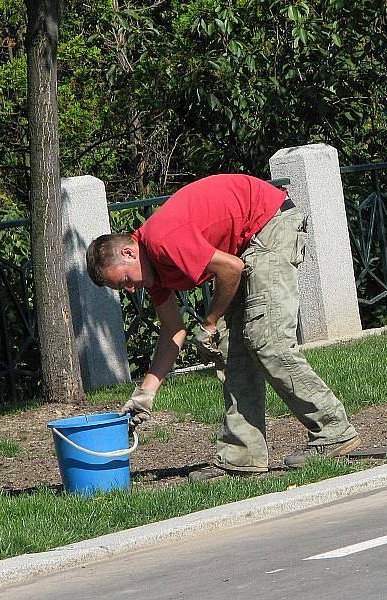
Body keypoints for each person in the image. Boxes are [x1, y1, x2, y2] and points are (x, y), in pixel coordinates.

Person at [86, 174, 361, 481]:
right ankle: (241, 458)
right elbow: (173, 331)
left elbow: (232, 268)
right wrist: (145, 393)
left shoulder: (163, 241)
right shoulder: (151, 272)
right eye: (121, 288)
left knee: (268, 341)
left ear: (129, 252)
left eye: (124, 280)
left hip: (269, 224)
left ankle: (333, 430)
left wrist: (210, 322)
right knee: (232, 350)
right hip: (247, 243)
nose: (130, 290)